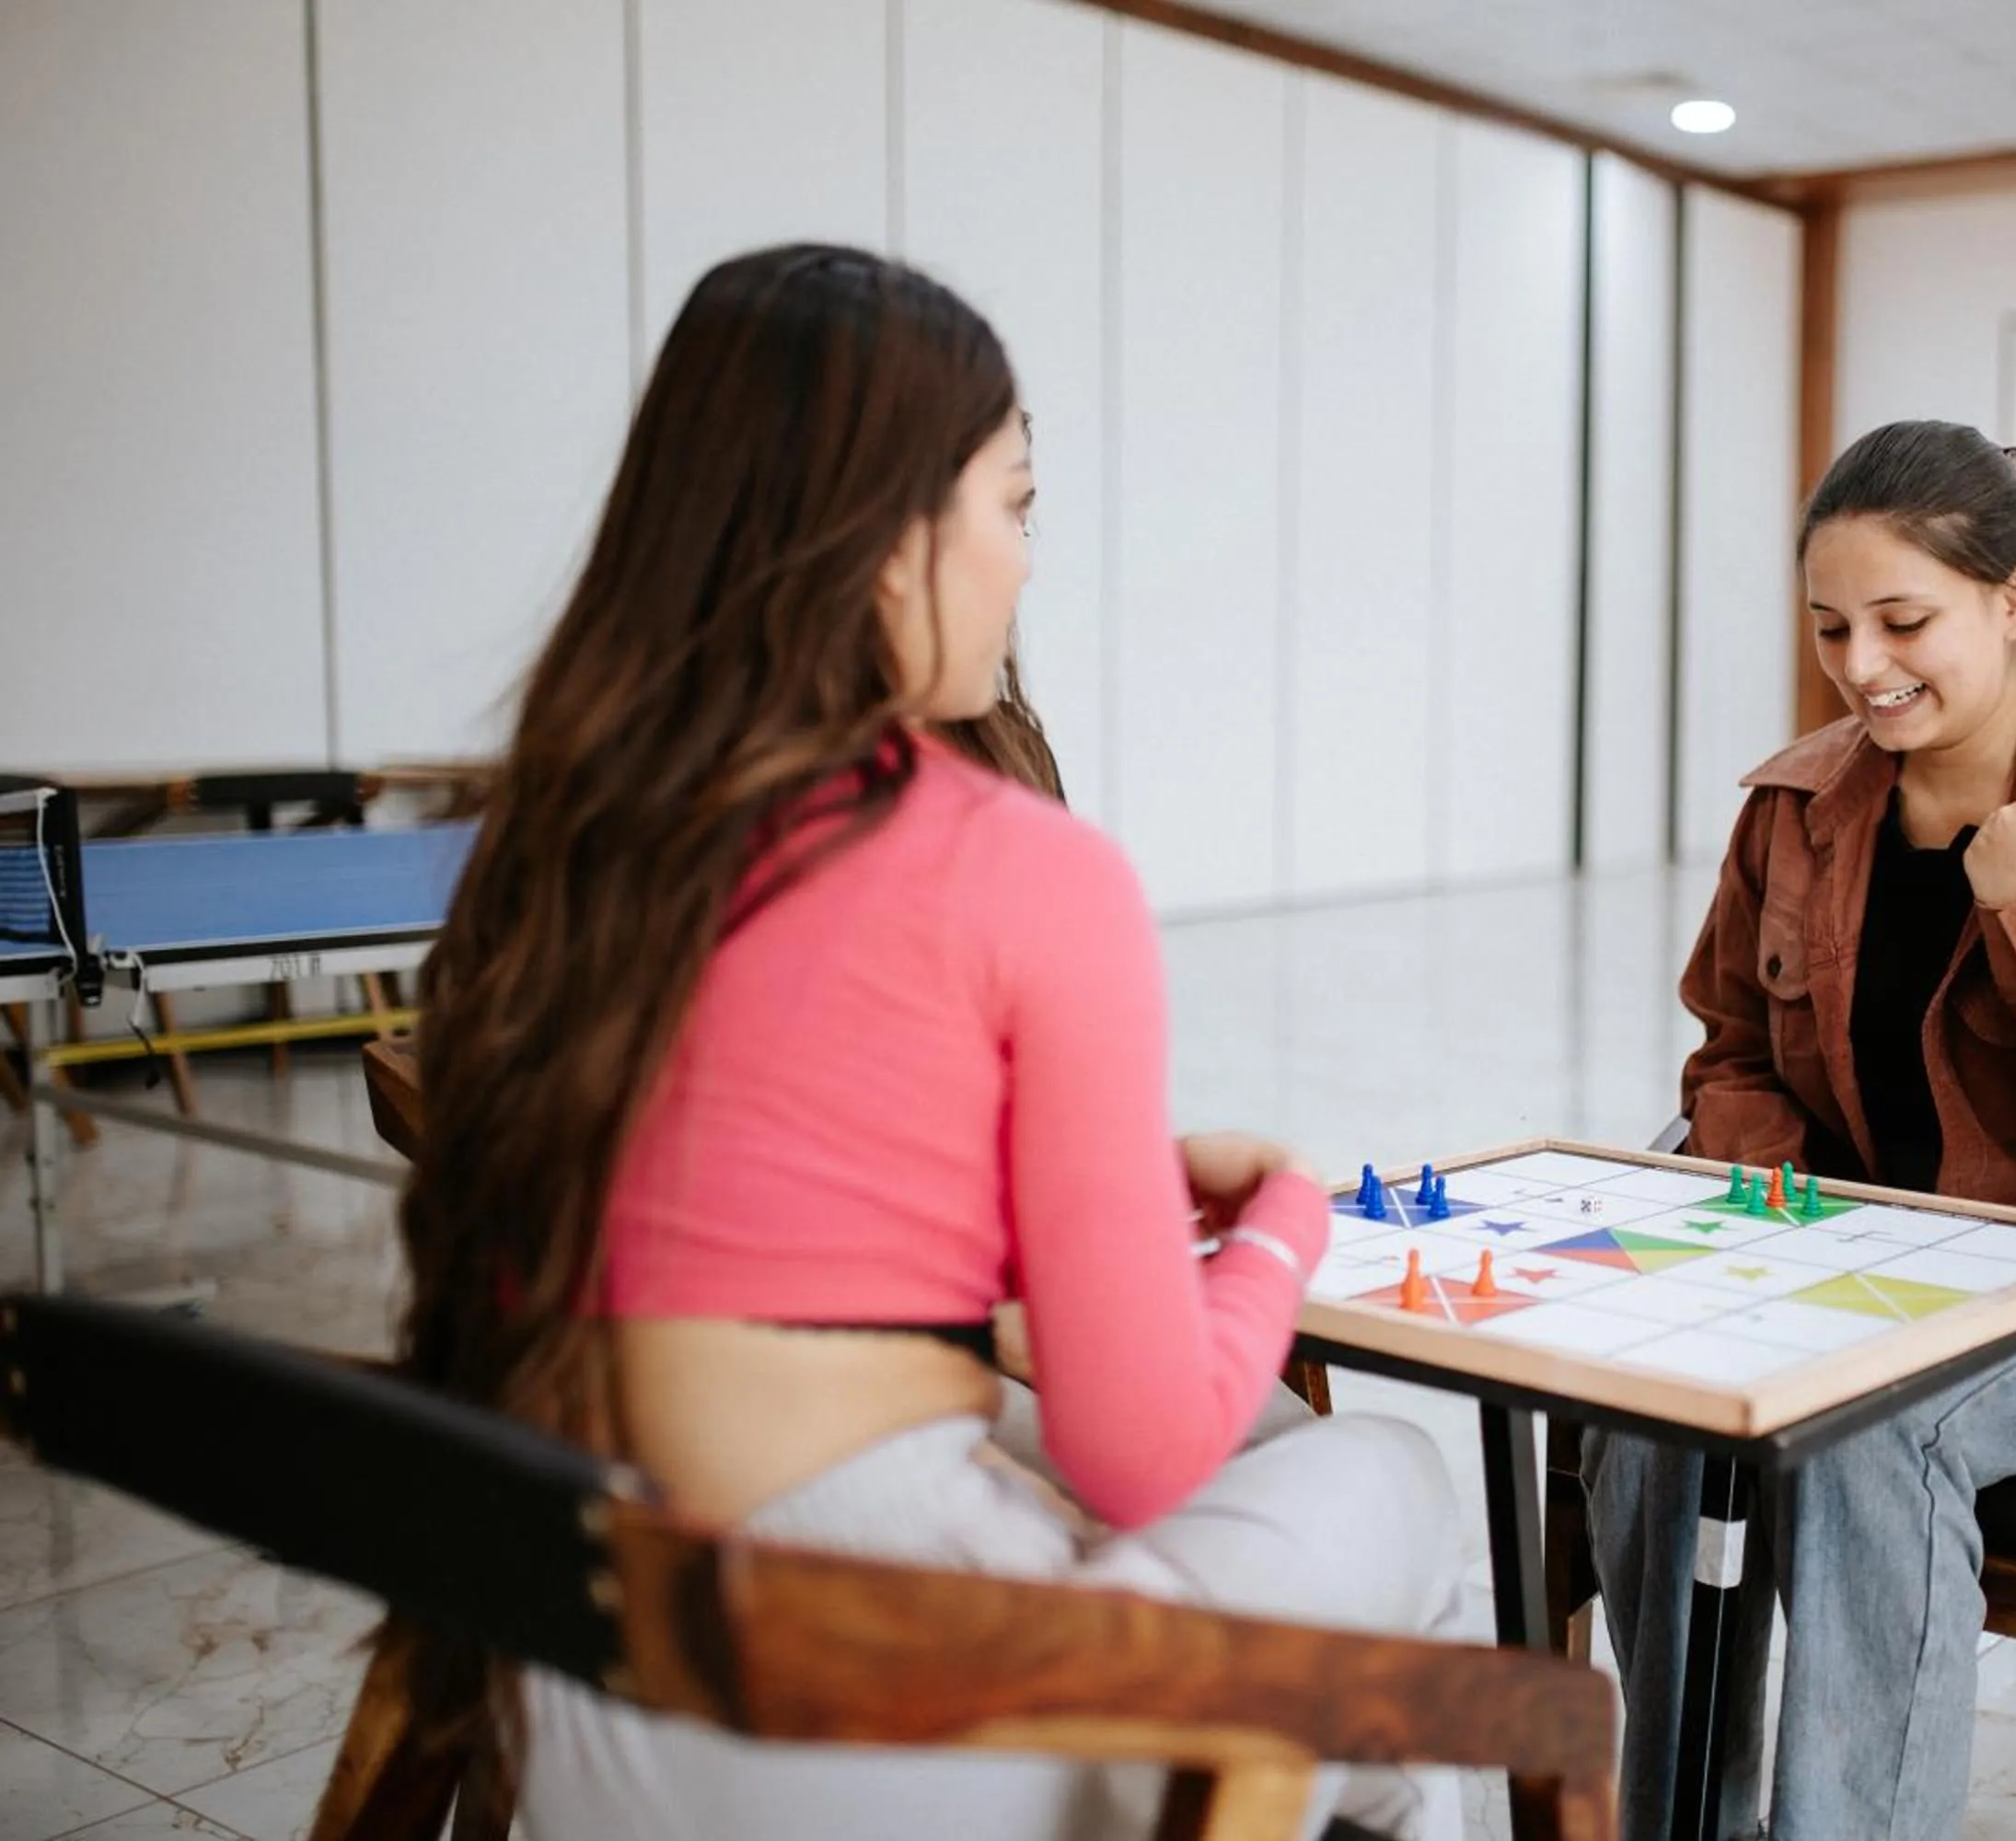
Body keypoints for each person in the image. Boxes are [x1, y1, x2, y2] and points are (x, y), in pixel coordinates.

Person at [388, 243, 1466, 1840]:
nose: (1026, 562)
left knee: (1333, 1702)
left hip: (588, 1718)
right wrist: (1282, 1230)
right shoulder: (1018, 865)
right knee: (1388, 1486)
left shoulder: (555, 846)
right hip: (885, 1736)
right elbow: (1140, 1455)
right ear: (893, 535)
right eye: (1014, 506)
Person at [1584, 419, 2016, 1840]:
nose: (1862, 665)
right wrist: (1773, 1220)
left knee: (1864, 1440)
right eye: (1832, 628)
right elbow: (1731, 1045)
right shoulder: (1793, 807)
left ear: (2015, 602)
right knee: (1650, 1417)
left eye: (1905, 621)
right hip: (1843, 1260)